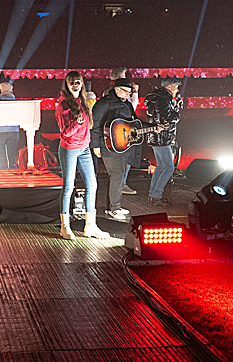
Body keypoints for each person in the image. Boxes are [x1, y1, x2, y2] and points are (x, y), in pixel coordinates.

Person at [55, 71, 110, 240]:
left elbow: (89, 125)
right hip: (70, 148)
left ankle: (90, 226)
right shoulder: (63, 105)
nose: (75, 85)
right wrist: (76, 123)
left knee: (92, 185)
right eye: (71, 82)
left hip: (84, 148)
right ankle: (65, 227)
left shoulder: (84, 102)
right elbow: (65, 133)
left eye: (78, 82)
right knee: (68, 187)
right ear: (67, 84)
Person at [91, 77, 140, 220]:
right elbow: (95, 123)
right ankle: (114, 208)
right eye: (125, 91)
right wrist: (95, 144)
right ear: (117, 89)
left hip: (122, 146)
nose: (127, 95)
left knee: (119, 175)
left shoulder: (127, 104)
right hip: (107, 146)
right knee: (117, 175)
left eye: (129, 92)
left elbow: (133, 121)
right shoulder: (105, 103)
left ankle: (113, 207)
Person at [144, 76, 183, 206]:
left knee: (161, 166)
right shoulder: (164, 99)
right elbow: (167, 117)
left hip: (157, 137)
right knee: (168, 168)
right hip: (162, 138)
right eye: (176, 87)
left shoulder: (159, 98)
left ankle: (153, 195)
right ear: (169, 87)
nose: (177, 89)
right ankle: (156, 195)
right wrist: (176, 111)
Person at [0, 78, 20, 169]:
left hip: (0, 132)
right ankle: (12, 171)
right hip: (14, 131)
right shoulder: (16, 104)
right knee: (11, 155)